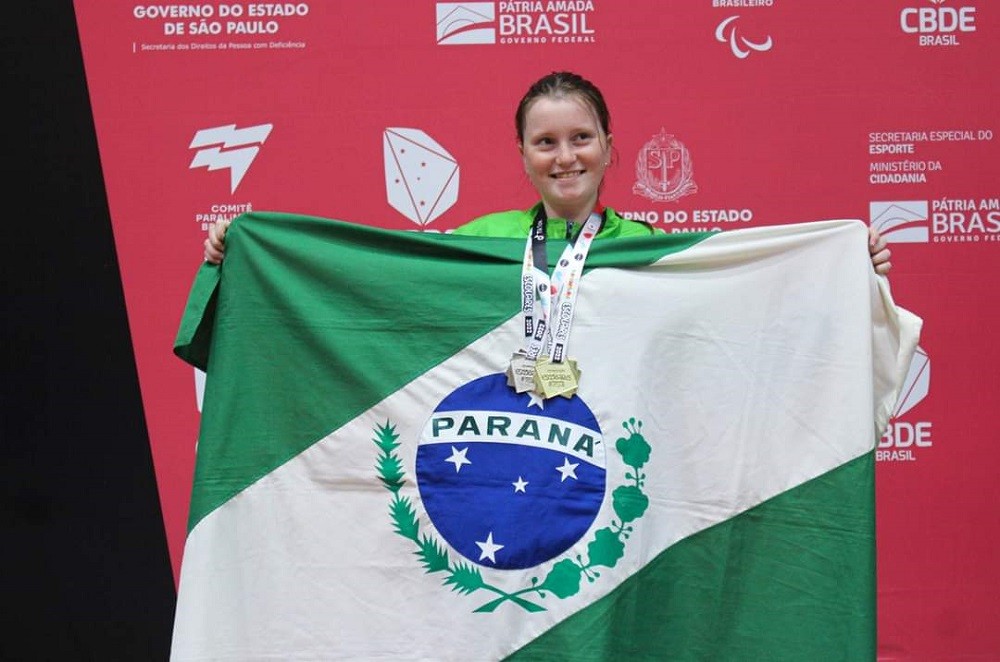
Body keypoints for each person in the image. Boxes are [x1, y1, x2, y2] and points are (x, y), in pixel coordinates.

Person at [203, 71, 892, 274]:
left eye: (581, 138)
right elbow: (380, 279)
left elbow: (751, 283)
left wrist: (840, 264)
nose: (566, 157)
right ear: (523, 156)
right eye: (546, 142)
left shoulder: (650, 243)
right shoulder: (484, 237)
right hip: (515, 452)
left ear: (610, 147)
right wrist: (252, 252)